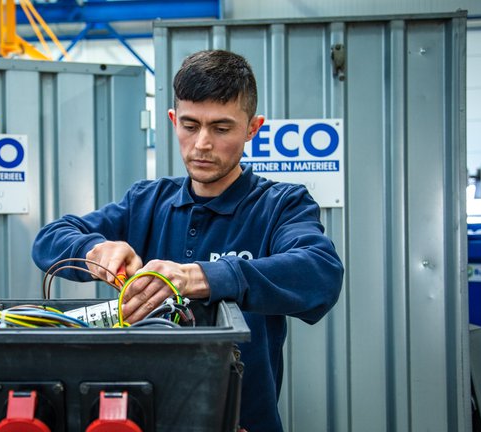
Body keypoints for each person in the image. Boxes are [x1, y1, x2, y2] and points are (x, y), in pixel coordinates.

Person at [32, 49, 344, 432]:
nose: (202, 144)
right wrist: (95, 250)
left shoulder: (280, 205)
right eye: (190, 125)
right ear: (172, 120)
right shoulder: (145, 202)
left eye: (222, 128)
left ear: (253, 128)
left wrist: (199, 277)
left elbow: (320, 273)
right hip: (144, 419)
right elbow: (49, 239)